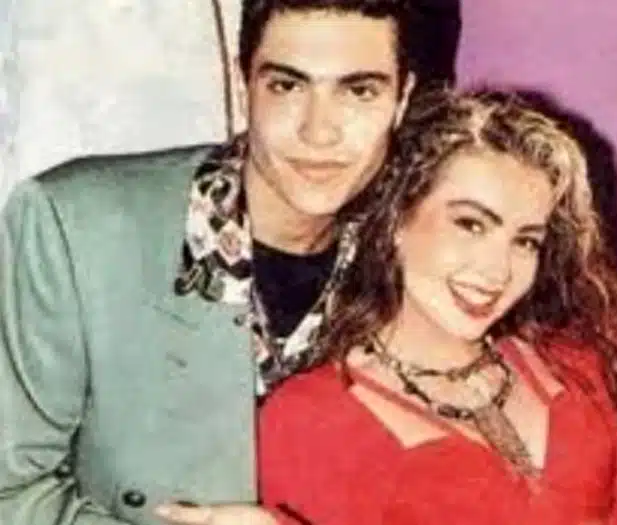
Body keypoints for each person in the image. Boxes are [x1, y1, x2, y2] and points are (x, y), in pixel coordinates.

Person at [0, 1, 465, 524]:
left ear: (402, 100)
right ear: (245, 88)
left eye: (359, 91)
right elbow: (10, 492)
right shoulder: (77, 226)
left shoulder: (416, 260)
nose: (319, 132)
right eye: (287, 86)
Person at [257, 89, 617, 524]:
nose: (497, 271)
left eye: (525, 241)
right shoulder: (309, 418)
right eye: (470, 225)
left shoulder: (571, 366)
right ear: (397, 219)